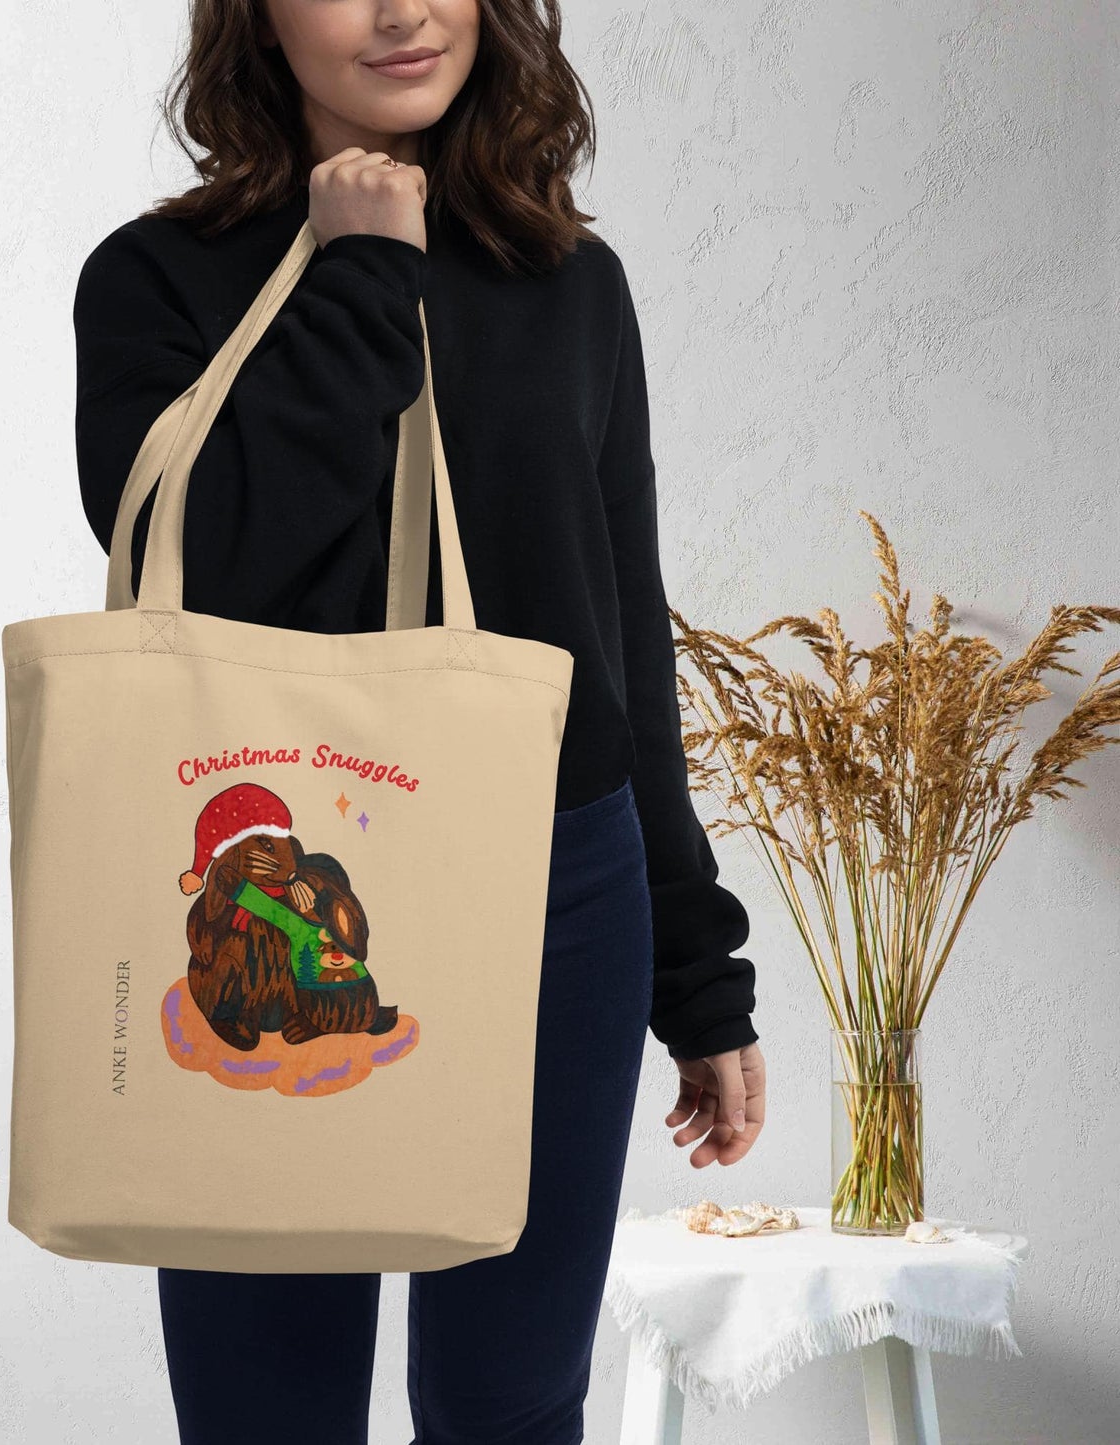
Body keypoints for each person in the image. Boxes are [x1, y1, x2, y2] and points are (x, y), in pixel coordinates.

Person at [72, 1, 768, 1439]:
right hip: (269, 909)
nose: (401, 11)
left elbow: (619, 634)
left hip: (556, 890)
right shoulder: (156, 279)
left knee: (510, 1404)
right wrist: (363, 270)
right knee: (264, 1406)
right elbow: (213, 556)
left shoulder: (571, 283)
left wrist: (697, 977)